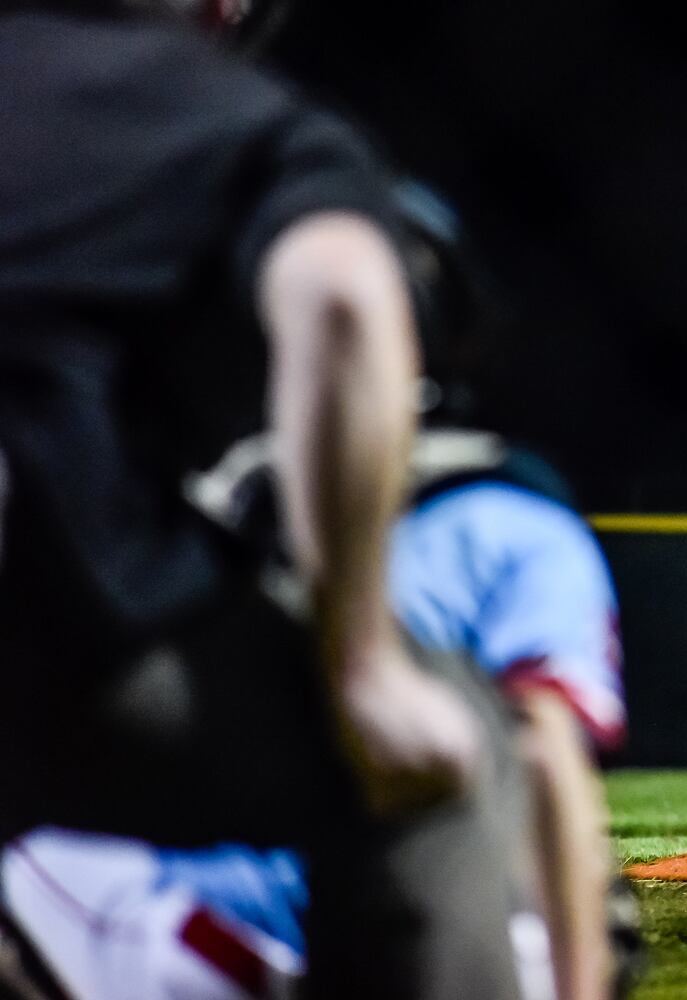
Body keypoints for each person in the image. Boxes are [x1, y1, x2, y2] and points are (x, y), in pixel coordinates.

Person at [0, 5, 541, 996]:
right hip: (66, 634)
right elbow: (341, 295)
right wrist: (362, 664)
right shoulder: (222, 114)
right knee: (436, 764)